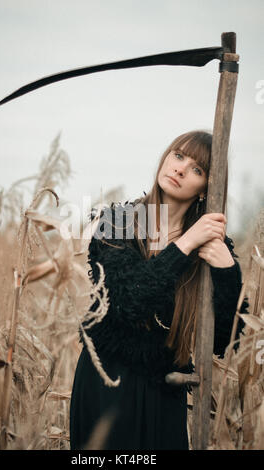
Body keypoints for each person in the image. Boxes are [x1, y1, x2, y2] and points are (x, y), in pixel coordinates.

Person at [69, 130, 249, 450]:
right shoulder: (118, 221)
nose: (180, 168)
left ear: (208, 188)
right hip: (108, 382)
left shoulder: (212, 246)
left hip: (167, 390)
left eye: (197, 169)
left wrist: (226, 271)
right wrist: (186, 244)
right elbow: (130, 302)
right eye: (178, 156)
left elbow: (224, 339)